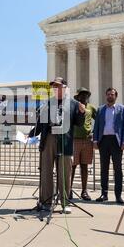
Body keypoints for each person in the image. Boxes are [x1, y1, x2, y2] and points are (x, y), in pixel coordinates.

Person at [28, 77, 85, 214]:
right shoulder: (47, 103)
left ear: (65, 87)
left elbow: (79, 124)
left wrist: (82, 113)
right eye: (54, 87)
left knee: (64, 172)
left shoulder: (73, 103)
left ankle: (65, 202)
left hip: (64, 141)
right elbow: (41, 124)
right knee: (46, 171)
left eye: (58, 86)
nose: (56, 89)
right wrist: (30, 135)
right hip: (48, 140)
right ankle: (46, 201)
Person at [93, 88, 124, 204]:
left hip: (116, 141)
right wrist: (95, 140)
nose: (110, 96)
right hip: (103, 141)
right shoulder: (100, 109)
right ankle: (104, 194)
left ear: (116, 96)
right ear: (106, 95)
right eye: (108, 94)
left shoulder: (122, 109)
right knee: (104, 169)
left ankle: (118, 195)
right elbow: (97, 126)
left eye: (112, 94)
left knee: (117, 169)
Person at [70, 87, 97, 201]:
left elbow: (99, 120)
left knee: (84, 166)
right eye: (82, 94)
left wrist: (95, 133)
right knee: (72, 166)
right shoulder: (74, 106)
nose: (84, 96)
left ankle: (84, 191)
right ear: (78, 96)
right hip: (74, 140)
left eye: (86, 94)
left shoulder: (91, 108)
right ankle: (69, 190)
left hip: (87, 139)